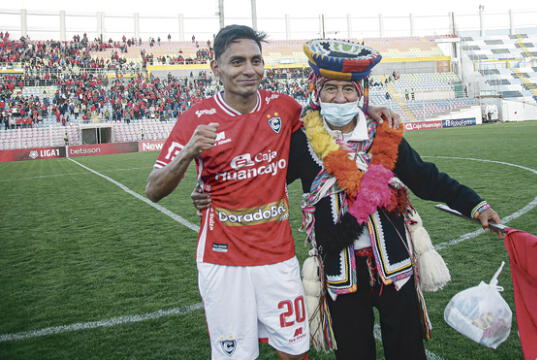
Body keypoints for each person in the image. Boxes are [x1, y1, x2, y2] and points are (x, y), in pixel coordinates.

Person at [193, 39, 501, 360]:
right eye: (331, 90)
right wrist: (211, 189)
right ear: (316, 90)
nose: (340, 98)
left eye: (349, 91)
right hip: (341, 270)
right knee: (354, 352)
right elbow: (263, 179)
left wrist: (475, 204)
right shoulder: (301, 142)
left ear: (361, 94)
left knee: (408, 350)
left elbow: (426, 178)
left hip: (395, 265)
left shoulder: (384, 132)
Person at [145, 25, 397, 360]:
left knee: (295, 350)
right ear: (216, 68)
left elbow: (333, 110)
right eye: (237, 62)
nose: (249, 70)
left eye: (255, 60)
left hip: (277, 257)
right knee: (236, 355)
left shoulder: (285, 108)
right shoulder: (196, 118)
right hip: (222, 259)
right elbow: (153, 189)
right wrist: (189, 151)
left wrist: (371, 110)